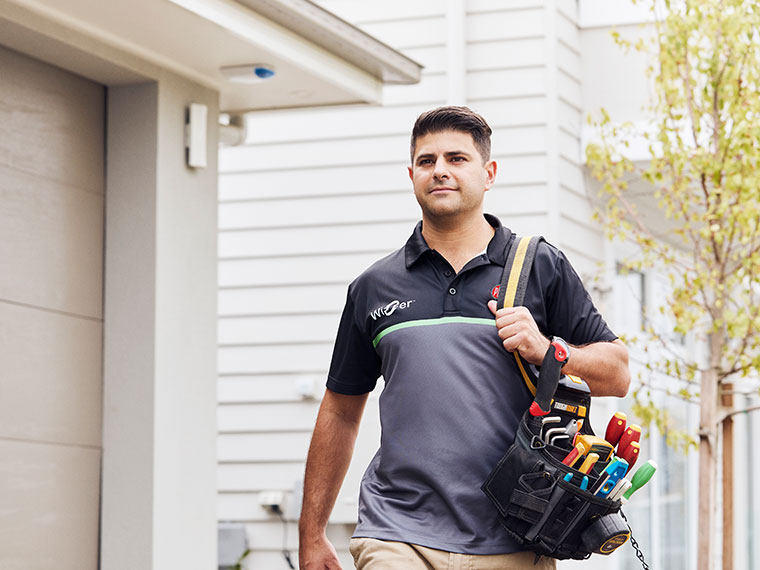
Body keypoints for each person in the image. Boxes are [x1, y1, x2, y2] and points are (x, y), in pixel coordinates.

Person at [298, 106, 630, 570]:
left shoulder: (539, 266)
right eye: (427, 161)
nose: (440, 171)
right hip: (397, 533)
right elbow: (339, 410)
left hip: (515, 536)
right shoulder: (374, 286)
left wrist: (549, 351)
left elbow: (617, 372)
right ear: (411, 174)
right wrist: (312, 534)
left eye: (457, 158)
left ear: (488, 172)